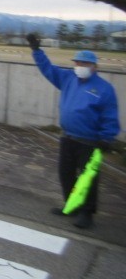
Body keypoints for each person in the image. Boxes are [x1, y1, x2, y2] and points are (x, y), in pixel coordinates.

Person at [27, 34, 120, 229]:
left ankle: (87, 213)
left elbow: (110, 115)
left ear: (94, 67)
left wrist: (107, 137)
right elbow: (48, 69)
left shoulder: (104, 89)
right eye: (77, 62)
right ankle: (72, 205)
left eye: (84, 63)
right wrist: (36, 51)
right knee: (66, 174)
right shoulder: (68, 78)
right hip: (68, 138)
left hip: (90, 141)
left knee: (87, 179)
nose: (80, 66)